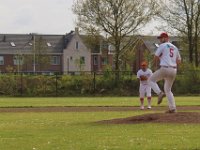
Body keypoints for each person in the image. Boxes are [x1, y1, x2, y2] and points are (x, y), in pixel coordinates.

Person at [148, 32, 181, 113]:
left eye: (161, 38)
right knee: (168, 90)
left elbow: (155, 57)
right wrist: (173, 64)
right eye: (159, 38)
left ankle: (159, 93)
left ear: (166, 38)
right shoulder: (175, 47)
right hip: (173, 70)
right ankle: (172, 108)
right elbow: (179, 61)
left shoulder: (162, 46)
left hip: (165, 68)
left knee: (150, 80)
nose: (160, 40)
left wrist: (154, 66)